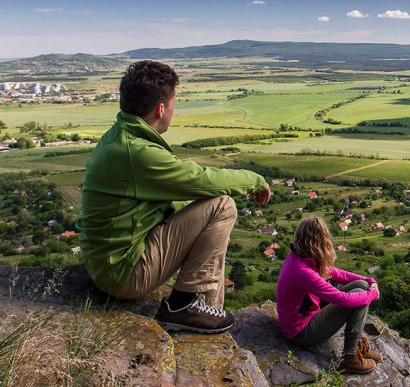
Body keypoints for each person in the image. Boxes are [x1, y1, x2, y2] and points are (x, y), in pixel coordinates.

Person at [78, 60, 271, 334]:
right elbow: (202, 180)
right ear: (160, 109)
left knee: (206, 211)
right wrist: (254, 180)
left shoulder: (118, 137)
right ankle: (183, 306)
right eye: (173, 105)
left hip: (109, 264)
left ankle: (204, 312)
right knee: (222, 206)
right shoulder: (137, 152)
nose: (172, 111)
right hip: (125, 274)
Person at [276, 216, 383, 374]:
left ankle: (358, 345)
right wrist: (372, 294)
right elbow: (343, 299)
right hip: (301, 332)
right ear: (320, 240)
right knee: (361, 297)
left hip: (306, 316)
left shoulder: (299, 256)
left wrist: (368, 280)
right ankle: (350, 357)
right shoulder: (302, 271)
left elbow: (335, 272)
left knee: (362, 286)